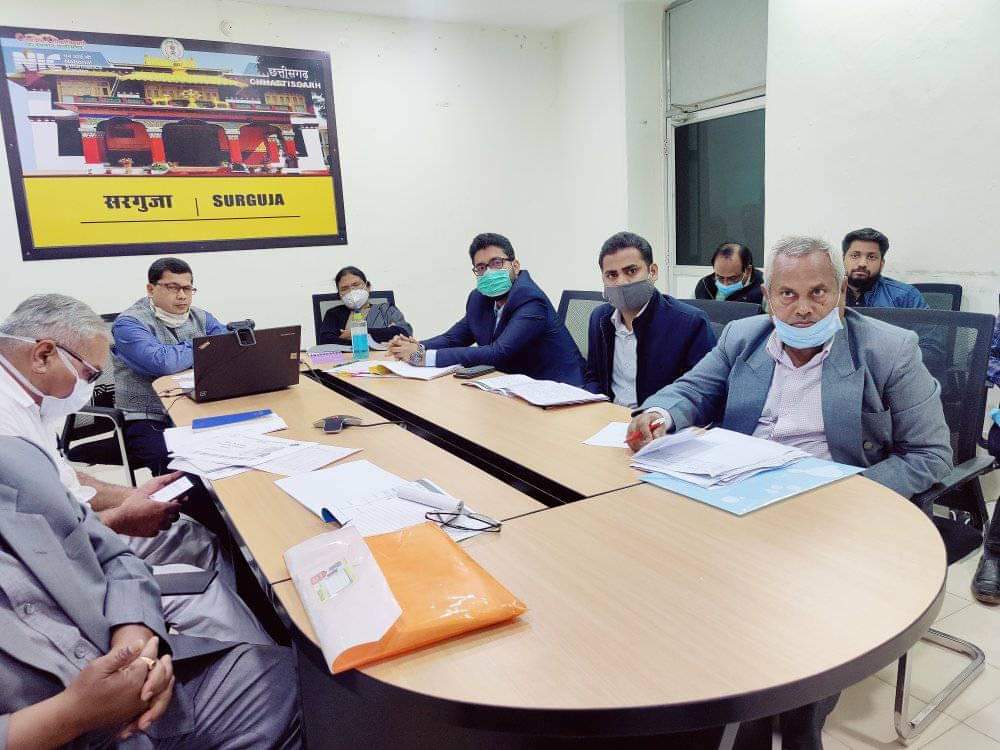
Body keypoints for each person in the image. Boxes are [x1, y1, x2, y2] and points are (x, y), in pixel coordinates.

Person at [627, 235, 952, 748]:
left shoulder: (888, 349)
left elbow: (931, 455)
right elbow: (692, 389)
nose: (803, 309)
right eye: (788, 294)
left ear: (840, 292)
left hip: (834, 513)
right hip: (738, 500)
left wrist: (839, 492)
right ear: (767, 296)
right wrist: (660, 414)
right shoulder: (743, 336)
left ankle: (797, 720)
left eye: (818, 293)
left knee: (802, 613)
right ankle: (710, 695)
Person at [0, 294, 269, 647]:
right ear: (43, 355)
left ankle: (249, 632)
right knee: (206, 597)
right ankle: (252, 660)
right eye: (90, 374)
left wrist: (130, 495)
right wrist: (120, 519)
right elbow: (32, 551)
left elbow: (62, 478)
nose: (90, 386)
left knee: (198, 537)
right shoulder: (6, 426)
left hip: (79, 529)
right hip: (57, 570)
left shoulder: (29, 398)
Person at [0, 436, 301, 749]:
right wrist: (71, 715)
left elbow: (111, 554)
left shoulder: (18, 461)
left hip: (132, 674)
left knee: (285, 678)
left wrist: (135, 640)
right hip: (53, 731)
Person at [387, 233, 587, 385]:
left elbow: (497, 352)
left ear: (515, 266)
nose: (489, 272)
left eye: (496, 263)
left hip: (561, 391)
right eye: (481, 267)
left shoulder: (531, 299)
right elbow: (453, 338)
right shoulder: (479, 299)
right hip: (514, 388)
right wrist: (413, 347)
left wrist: (421, 357)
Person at [111, 257, 227, 476]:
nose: (182, 295)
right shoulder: (129, 324)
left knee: (229, 453)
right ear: (151, 289)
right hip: (148, 417)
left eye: (187, 288)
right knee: (185, 468)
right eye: (173, 288)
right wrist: (202, 345)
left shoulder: (201, 317)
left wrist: (205, 346)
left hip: (196, 410)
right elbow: (164, 363)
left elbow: (225, 345)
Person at [584, 231, 716, 408]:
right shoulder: (599, 318)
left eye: (631, 271)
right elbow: (593, 376)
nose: (622, 282)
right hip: (609, 416)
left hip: (661, 419)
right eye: (612, 275)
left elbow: (704, 392)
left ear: (652, 272)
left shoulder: (690, 323)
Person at [317, 265, 413, 345]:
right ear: (340, 295)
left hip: (383, 358)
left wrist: (355, 334)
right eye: (344, 288)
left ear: (368, 286)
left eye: (356, 285)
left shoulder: (386, 309)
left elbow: (404, 333)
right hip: (346, 360)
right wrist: (384, 333)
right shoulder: (333, 314)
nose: (351, 291)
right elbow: (326, 341)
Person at [841, 227, 928, 308]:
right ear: (843, 259)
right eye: (855, 256)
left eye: (871, 257)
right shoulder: (832, 292)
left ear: (881, 263)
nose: (862, 264)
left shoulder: (906, 296)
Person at [694, 242, 765, 306]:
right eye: (720, 277)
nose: (725, 284)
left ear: (748, 271)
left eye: (732, 278)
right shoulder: (705, 285)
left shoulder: (765, 290)